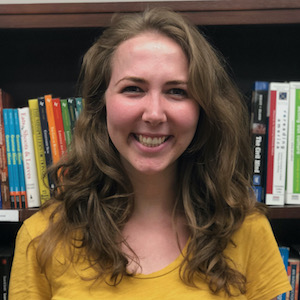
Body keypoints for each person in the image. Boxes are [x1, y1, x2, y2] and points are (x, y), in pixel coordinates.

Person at [9, 7, 291, 300]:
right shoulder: (41, 237)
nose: (154, 114)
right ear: (99, 103)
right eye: (133, 88)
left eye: (177, 91)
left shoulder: (246, 228)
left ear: (203, 109)